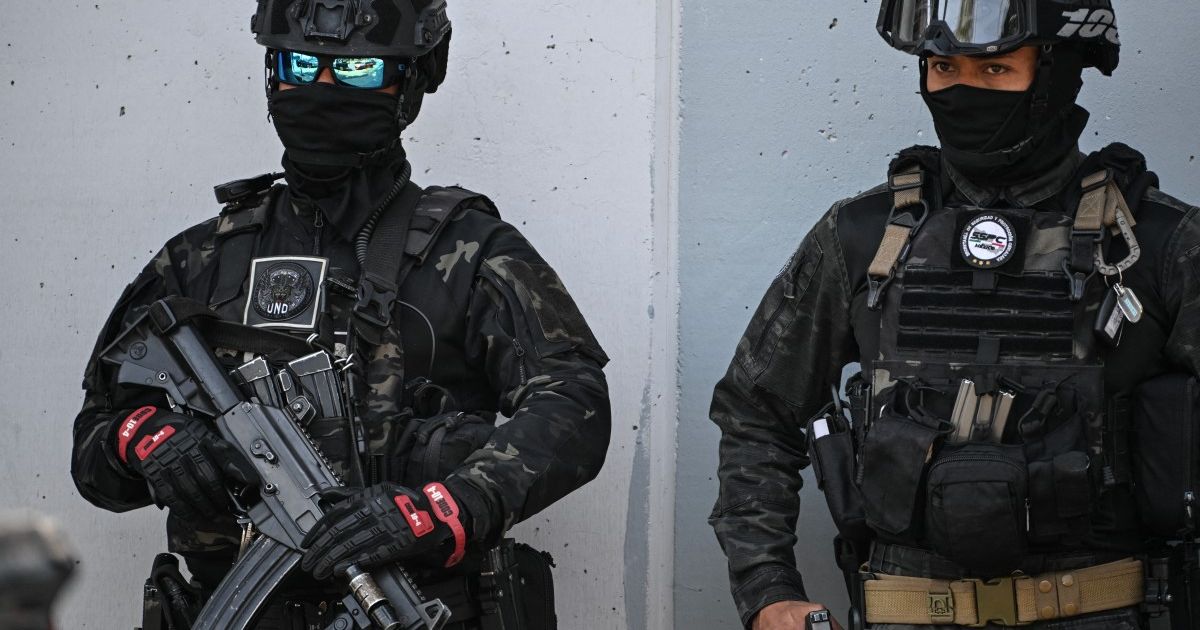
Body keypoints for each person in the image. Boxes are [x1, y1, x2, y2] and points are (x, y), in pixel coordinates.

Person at [70, 1, 611, 627]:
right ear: (271, 76)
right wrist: (143, 440)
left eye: (357, 69)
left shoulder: (467, 252)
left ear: (410, 82)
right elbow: (95, 446)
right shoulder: (200, 260)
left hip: (412, 606)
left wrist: (442, 508)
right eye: (299, 66)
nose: (322, 86)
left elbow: (574, 404)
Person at [709, 1, 1200, 629]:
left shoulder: (1158, 243)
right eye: (944, 68)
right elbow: (755, 412)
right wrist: (767, 591)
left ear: (1058, 73)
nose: (963, 90)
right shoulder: (862, 236)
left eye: (995, 69)